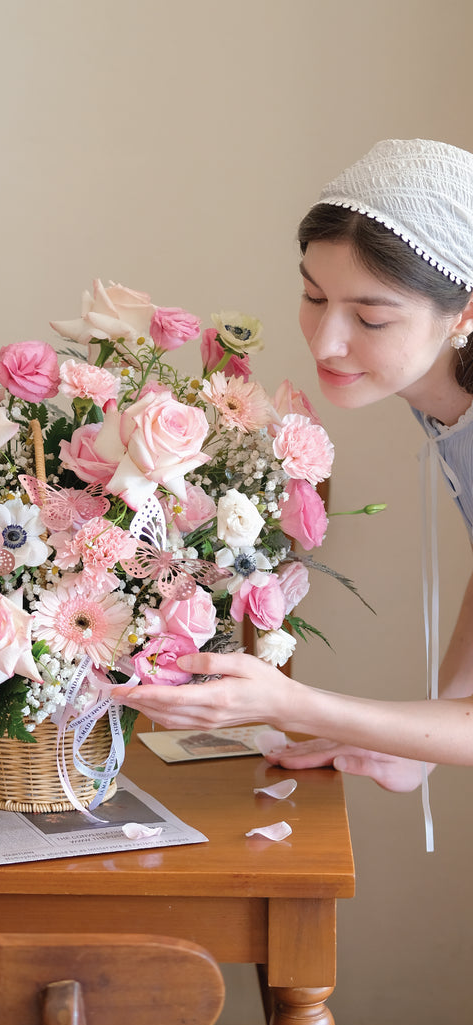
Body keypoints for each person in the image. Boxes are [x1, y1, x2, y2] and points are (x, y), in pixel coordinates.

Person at [112, 138, 473, 804]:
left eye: (370, 317)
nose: (325, 341)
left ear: (466, 312)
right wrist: (413, 745)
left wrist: (297, 704)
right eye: (313, 296)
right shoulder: (449, 405)